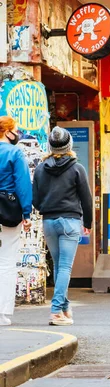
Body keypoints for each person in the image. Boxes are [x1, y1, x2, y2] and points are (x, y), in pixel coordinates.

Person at [33, 127, 93, 326]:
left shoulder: (41, 168)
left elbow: (35, 198)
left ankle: (65, 307)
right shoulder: (77, 168)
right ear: (69, 145)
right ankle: (56, 310)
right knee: (65, 267)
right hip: (69, 221)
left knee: (59, 266)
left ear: (50, 146)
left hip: (49, 222)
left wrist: (46, 208)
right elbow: (86, 198)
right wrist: (88, 223)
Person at [0, 116, 32, 326]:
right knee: (6, 262)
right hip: (7, 210)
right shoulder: (14, 152)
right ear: (7, 131)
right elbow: (22, 184)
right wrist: (26, 213)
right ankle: (2, 313)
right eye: (16, 130)